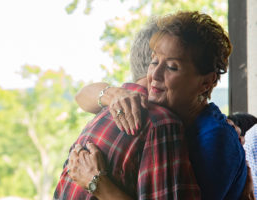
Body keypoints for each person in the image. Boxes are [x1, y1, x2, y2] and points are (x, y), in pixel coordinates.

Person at [70, 11, 248, 200]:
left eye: (172, 67)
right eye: (154, 61)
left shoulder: (214, 139)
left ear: (206, 82)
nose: (155, 75)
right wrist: (113, 95)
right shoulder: (159, 104)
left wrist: (97, 183)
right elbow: (82, 96)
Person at [53, 19, 201, 200]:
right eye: (166, 64)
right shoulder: (161, 123)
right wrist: (97, 183)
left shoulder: (106, 112)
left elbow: (81, 95)